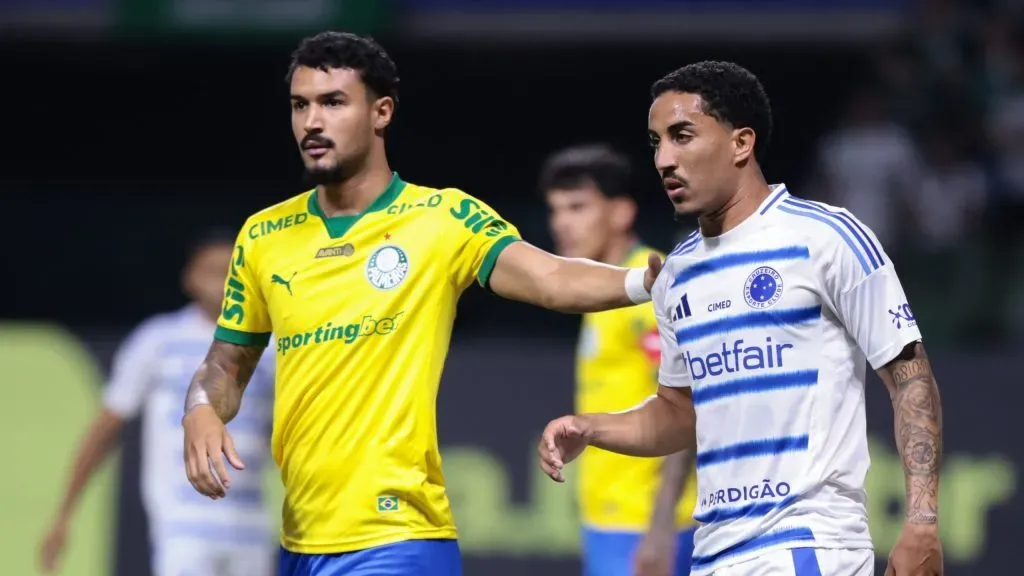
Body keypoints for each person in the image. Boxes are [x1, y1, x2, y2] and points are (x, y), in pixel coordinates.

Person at [179, 31, 660, 576]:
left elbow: (550, 278)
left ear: (381, 112)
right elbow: (227, 361)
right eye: (300, 105)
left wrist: (648, 282)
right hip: (300, 541)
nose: (312, 121)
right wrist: (199, 407)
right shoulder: (263, 235)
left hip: (398, 537)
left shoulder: (441, 218)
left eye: (333, 102)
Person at [537, 61, 945, 576]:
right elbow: (678, 414)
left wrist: (923, 522)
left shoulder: (826, 237)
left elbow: (910, 377)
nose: (664, 158)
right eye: (656, 142)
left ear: (741, 143)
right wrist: (592, 427)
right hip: (714, 553)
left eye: (682, 135)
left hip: (806, 545)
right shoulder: (677, 273)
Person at [39, 229, 277, 576]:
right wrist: (65, 513)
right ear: (190, 278)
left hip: (251, 528)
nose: (222, 282)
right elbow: (105, 428)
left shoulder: (269, 347)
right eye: (212, 271)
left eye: (232, 272)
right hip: (184, 528)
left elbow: (285, 432)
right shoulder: (159, 340)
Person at [540, 143, 698, 576]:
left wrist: (661, 525)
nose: (562, 223)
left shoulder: (649, 291)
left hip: (646, 523)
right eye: (555, 209)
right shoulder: (602, 289)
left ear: (621, 213)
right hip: (608, 518)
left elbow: (688, 404)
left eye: (577, 207)